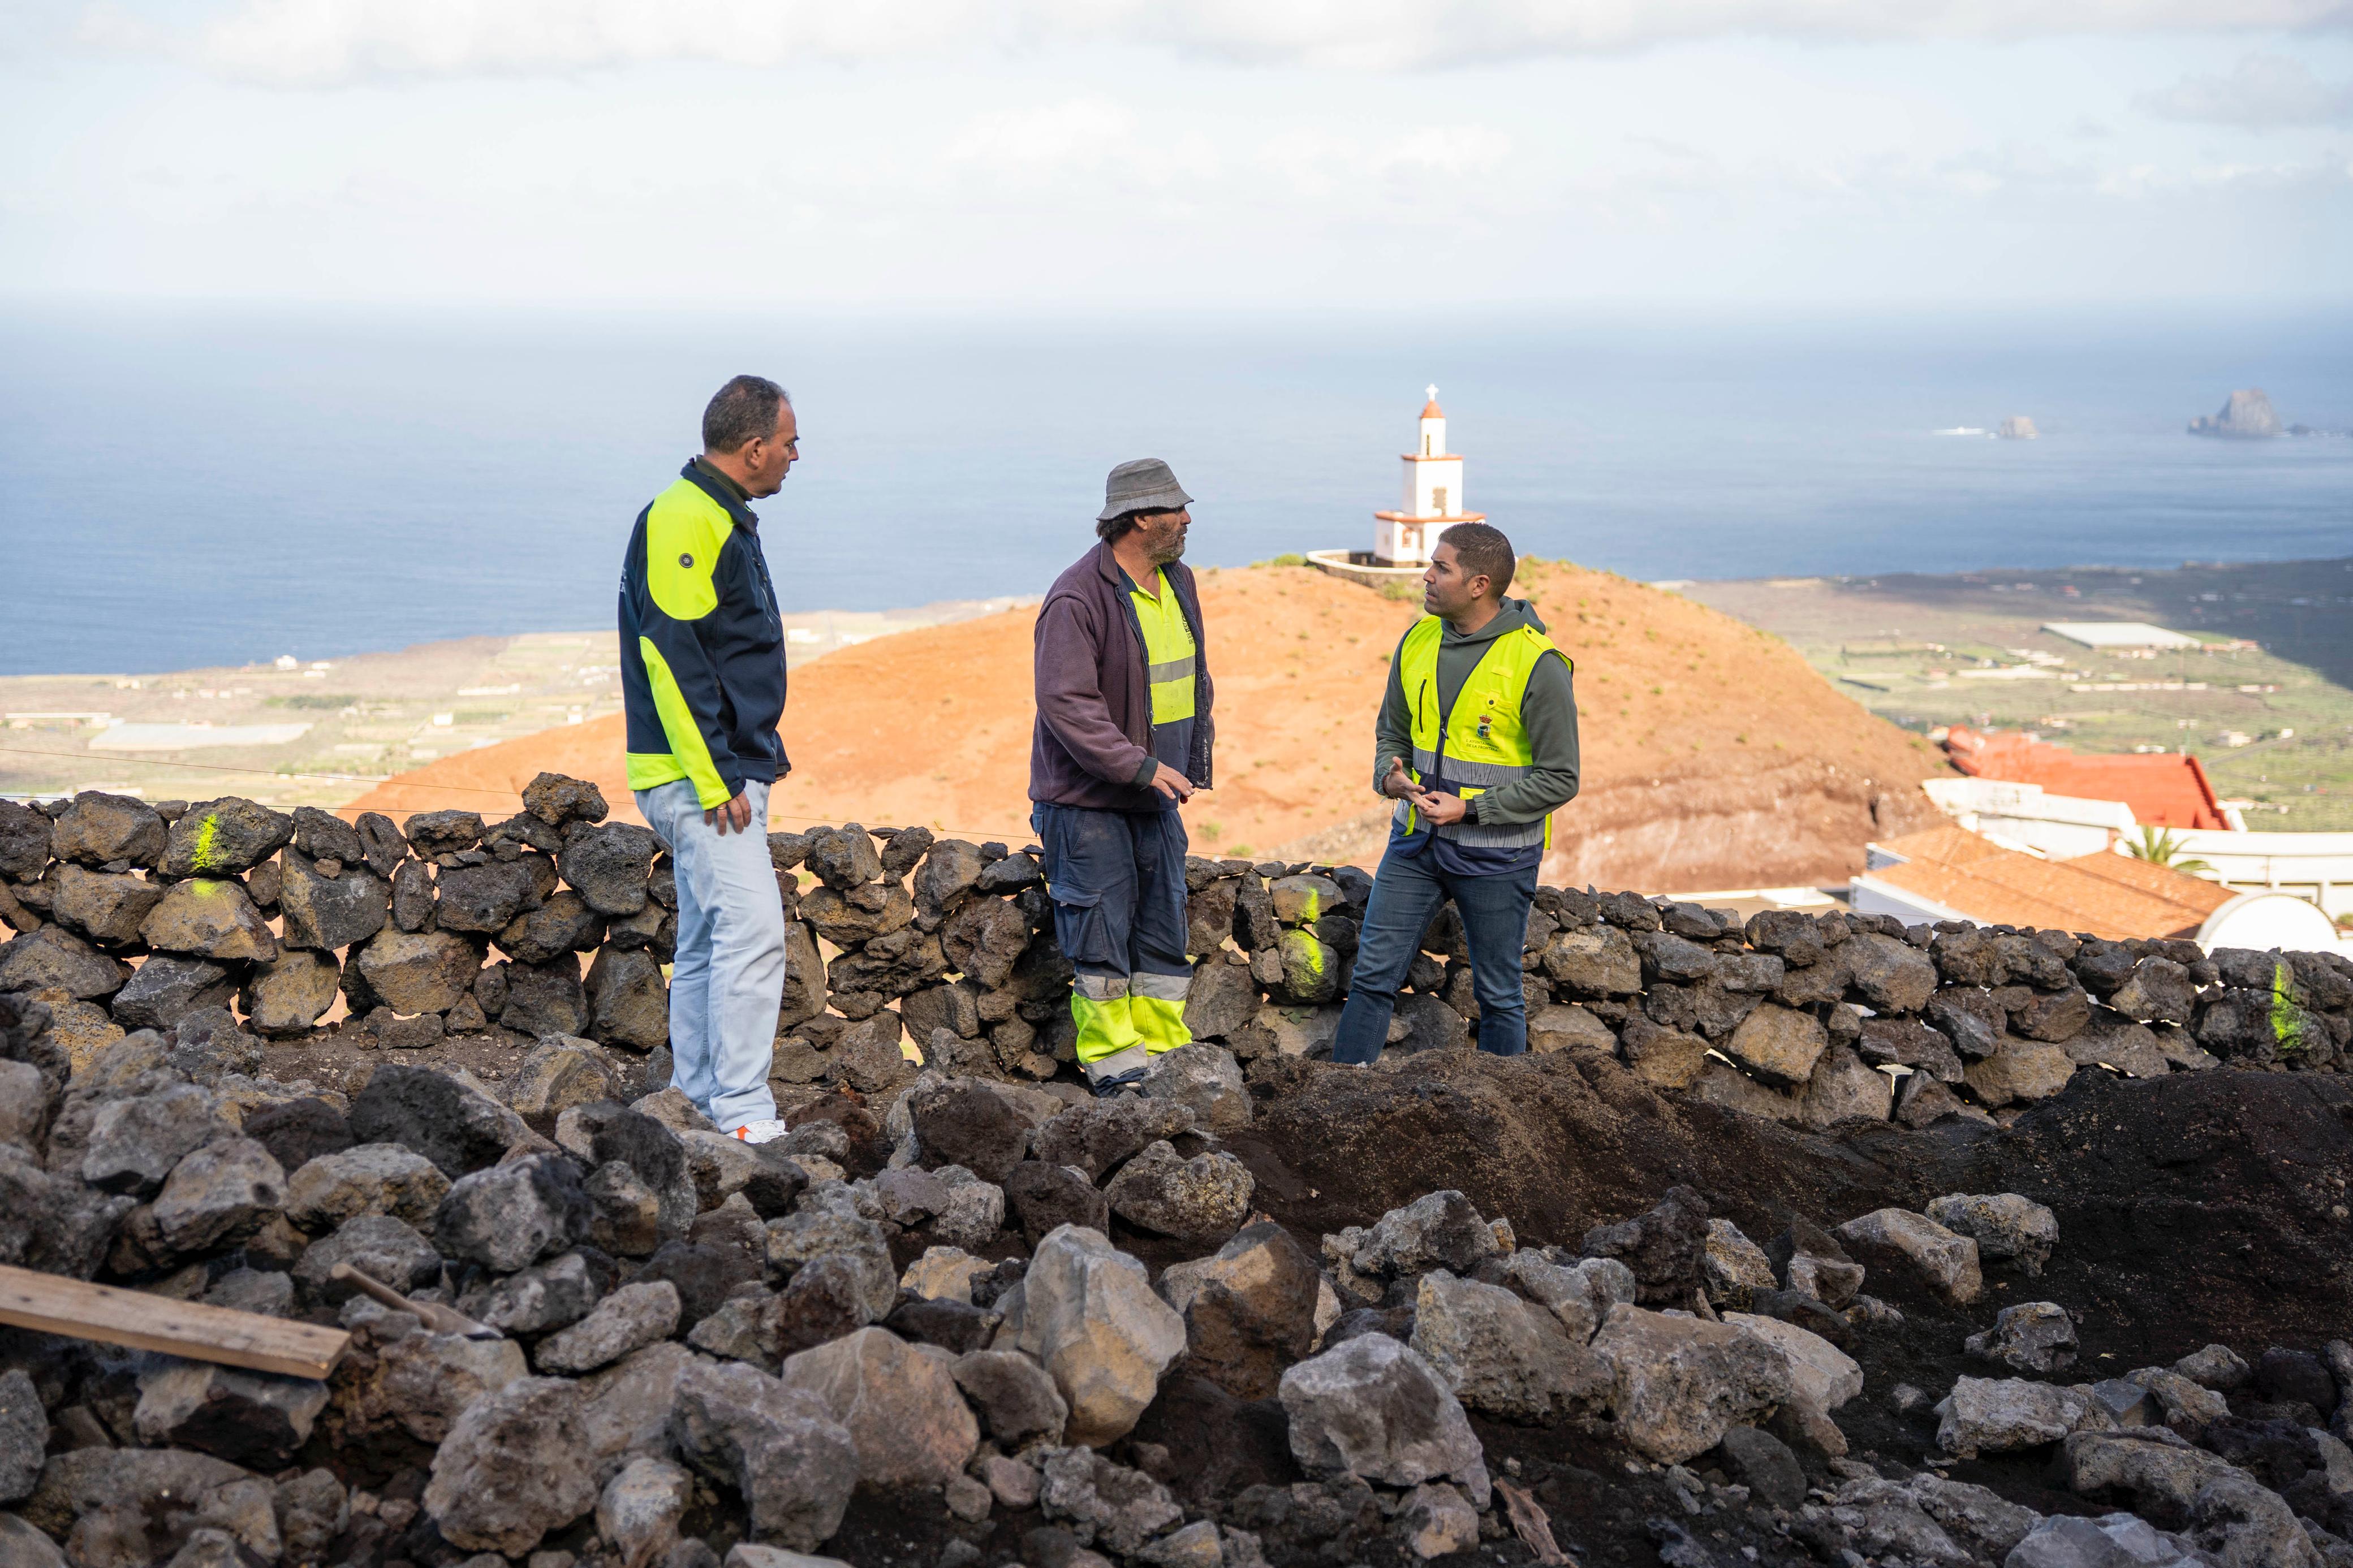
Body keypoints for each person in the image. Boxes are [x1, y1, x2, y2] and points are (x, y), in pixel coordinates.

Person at [618, 374, 797, 1141]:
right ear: (754, 447)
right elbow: (674, 654)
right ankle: (743, 1115)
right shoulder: (687, 516)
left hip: (713, 771)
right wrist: (718, 773)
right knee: (755, 931)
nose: (795, 457)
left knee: (705, 940)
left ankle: (691, 1099)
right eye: (790, 443)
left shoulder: (717, 515)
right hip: (700, 778)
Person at [1331, 522, 1579, 1065]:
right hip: (1414, 844)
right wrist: (1389, 776)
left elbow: (1562, 778)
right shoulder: (1417, 639)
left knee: (1498, 998)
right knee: (1372, 977)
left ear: (1479, 584)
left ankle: (1503, 1125)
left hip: (1498, 857)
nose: (1426, 574)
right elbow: (1391, 733)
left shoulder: (1539, 664)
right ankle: (1338, 1096)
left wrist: (1472, 809)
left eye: (1441, 567)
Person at [1031, 459, 1215, 1096]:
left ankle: (1166, 1061)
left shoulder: (1178, 581)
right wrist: (1138, 766)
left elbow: (1188, 684)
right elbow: (1067, 704)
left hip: (1154, 799)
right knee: (1101, 945)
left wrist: (1181, 767)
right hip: (1088, 806)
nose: (1188, 518)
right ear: (1140, 517)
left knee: (1163, 938)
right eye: (1176, 509)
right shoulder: (1076, 597)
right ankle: (1116, 1072)